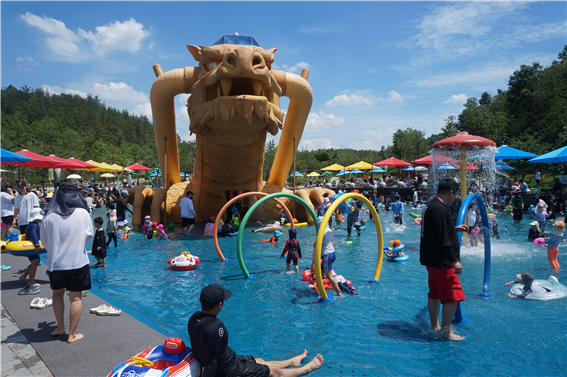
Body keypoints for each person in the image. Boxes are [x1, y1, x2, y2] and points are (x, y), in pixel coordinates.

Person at [188, 284, 323, 377]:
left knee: (259, 360)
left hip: (230, 360)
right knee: (275, 372)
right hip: (232, 371)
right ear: (219, 305)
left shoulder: (194, 318)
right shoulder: (216, 326)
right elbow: (211, 363)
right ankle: (308, 367)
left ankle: (293, 362)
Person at [40, 182, 93, 343]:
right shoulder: (83, 213)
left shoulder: (48, 215)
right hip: (78, 262)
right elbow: (88, 235)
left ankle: (60, 327)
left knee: (57, 294)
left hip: (56, 264)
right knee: (75, 298)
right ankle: (72, 334)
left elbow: (44, 241)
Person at [419, 178, 469, 341]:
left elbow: (436, 230)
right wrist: (454, 260)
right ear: (451, 193)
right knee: (454, 296)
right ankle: (447, 332)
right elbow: (442, 239)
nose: (455, 199)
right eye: (455, 196)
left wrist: (452, 228)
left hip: (432, 260)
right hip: (443, 262)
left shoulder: (430, 206)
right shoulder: (439, 209)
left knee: (434, 294)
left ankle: (435, 327)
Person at [18, 208, 44, 295]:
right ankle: (31, 282)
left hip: (31, 247)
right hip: (32, 247)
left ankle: (23, 276)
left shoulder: (31, 224)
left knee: (35, 262)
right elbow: (34, 234)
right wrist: (37, 245)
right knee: (35, 263)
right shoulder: (34, 225)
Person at [318, 218, 342, 297]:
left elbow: (318, 244)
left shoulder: (322, 231)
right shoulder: (329, 230)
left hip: (326, 255)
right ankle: (319, 290)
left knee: (329, 276)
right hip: (332, 253)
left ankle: (339, 293)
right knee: (321, 272)